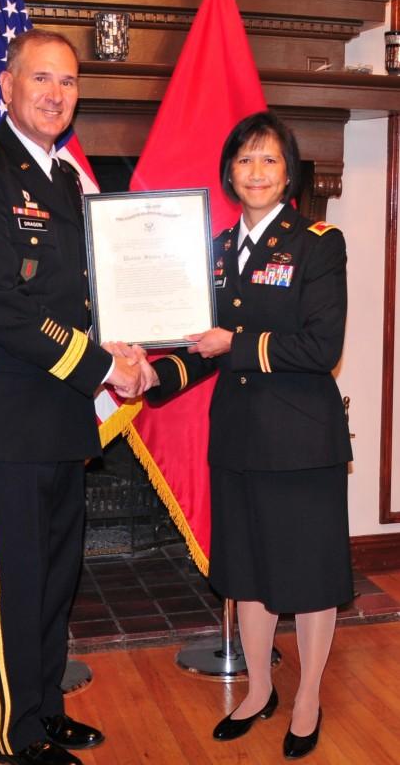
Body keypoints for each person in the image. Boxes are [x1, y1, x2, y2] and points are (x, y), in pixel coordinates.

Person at [0, 29, 140, 765]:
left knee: (55, 576)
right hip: (1, 418)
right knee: (14, 580)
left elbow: (89, 293)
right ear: (7, 87)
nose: (56, 93)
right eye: (41, 78)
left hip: (58, 410)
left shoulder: (68, 184)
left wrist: (132, 342)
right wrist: (102, 365)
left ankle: (44, 711)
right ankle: (12, 738)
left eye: (68, 82)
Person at [138, 111, 353, 760]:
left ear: (288, 171)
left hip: (299, 444)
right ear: (228, 173)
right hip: (235, 437)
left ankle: (307, 697)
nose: (254, 172)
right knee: (249, 575)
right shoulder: (213, 250)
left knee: (309, 577)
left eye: (267, 160)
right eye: (243, 161)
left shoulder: (318, 241)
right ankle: (258, 690)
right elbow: (201, 347)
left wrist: (238, 343)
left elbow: (319, 346)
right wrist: (151, 374)